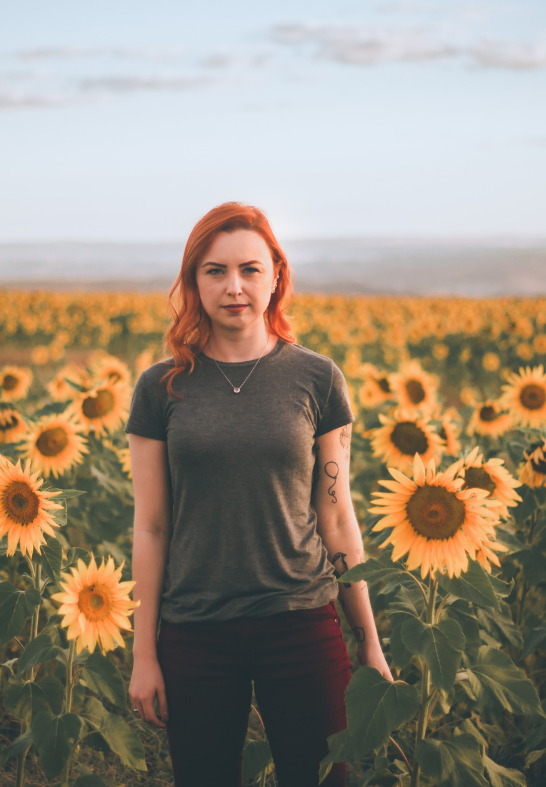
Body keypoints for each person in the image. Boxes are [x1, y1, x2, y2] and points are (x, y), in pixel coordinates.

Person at [124, 202, 393, 786]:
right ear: (194, 282)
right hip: (196, 627)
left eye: (249, 268)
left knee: (322, 779)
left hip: (300, 619)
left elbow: (336, 513)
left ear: (276, 274)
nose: (234, 287)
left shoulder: (318, 379)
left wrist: (369, 641)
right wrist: (145, 656)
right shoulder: (160, 387)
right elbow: (150, 527)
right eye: (214, 271)